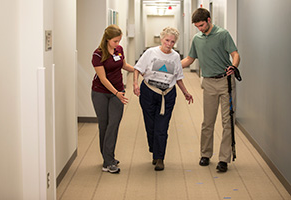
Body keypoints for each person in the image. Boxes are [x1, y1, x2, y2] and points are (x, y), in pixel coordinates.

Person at [181, 8, 240, 172]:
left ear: (208, 20)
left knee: (228, 121)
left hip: (225, 81)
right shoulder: (197, 39)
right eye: (197, 26)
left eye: (201, 25)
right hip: (208, 83)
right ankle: (205, 154)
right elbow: (190, 59)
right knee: (208, 121)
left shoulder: (223, 34)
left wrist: (233, 67)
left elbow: (235, 54)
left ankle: (224, 159)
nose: (199, 28)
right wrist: (172, 66)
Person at [133, 27, 193, 171]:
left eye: (172, 42)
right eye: (167, 40)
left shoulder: (175, 57)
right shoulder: (150, 53)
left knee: (162, 127)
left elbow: (178, 77)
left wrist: (186, 92)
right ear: (162, 39)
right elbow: (138, 68)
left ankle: (160, 158)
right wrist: (135, 83)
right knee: (150, 125)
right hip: (148, 92)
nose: (169, 44)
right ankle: (155, 151)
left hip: (167, 95)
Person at [91, 24, 134, 174]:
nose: (118, 44)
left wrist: (138, 69)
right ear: (107, 39)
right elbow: (102, 79)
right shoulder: (97, 55)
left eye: (119, 40)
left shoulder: (119, 50)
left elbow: (124, 65)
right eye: (115, 41)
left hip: (117, 92)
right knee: (104, 125)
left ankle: (108, 159)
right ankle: (108, 161)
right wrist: (116, 93)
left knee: (113, 125)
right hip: (100, 93)